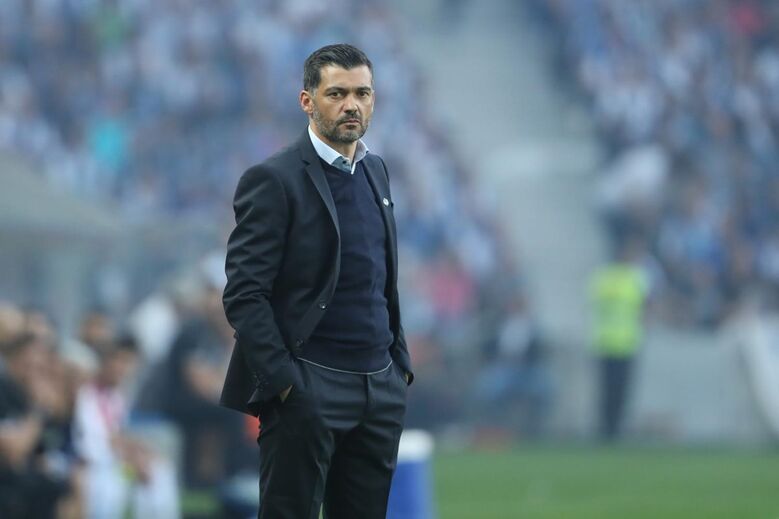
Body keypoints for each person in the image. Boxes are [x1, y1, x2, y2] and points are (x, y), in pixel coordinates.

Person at [221, 43, 413, 519]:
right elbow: (244, 294)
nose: (352, 105)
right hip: (309, 386)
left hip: (378, 387)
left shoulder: (376, 170)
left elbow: (381, 277)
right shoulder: (273, 179)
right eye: (337, 93)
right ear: (307, 101)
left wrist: (398, 367)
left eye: (362, 93)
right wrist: (287, 383)